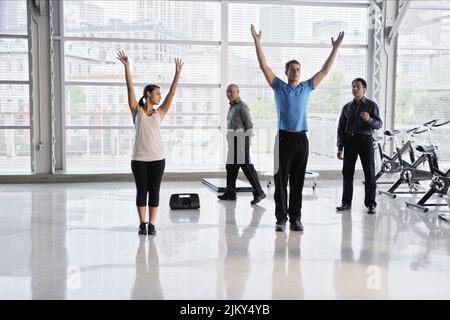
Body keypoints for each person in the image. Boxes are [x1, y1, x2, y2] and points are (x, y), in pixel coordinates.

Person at [251, 24, 344, 232]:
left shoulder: (306, 87)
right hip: (283, 139)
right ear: (286, 72)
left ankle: (295, 218)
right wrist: (258, 42)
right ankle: (281, 219)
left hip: (301, 140)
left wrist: (335, 47)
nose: (296, 72)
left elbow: (325, 70)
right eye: (292, 69)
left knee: (297, 182)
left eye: (298, 69)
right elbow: (263, 66)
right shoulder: (279, 86)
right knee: (280, 180)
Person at [117, 51, 183, 235]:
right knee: (141, 191)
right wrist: (127, 67)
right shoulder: (136, 111)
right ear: (148, 94)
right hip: (139, 159)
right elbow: (130, 89)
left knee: (154, 191)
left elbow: (172, 93)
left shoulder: (159, 112)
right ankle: (142, 223)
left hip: (157, 158)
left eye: (160, 94)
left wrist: (177, 73)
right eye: (157, 94)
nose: (160, 97)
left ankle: (152, 224)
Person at [336, 78, 382, 214]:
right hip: (350, 141)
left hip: (366, 140)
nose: (355, 89)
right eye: (353, 87)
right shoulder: (346, 107)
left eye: (357, 86)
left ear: (364, 89)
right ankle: (346, 203)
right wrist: (340, 147)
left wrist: (369, 119)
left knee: (370, 172)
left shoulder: (372, 105)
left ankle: (371, 204)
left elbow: (379, 124)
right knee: (347, 172)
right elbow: (341, 128)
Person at [218, 84, 266, 205]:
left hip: (240, 142)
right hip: (232, 142)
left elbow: (249, 126)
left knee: (247, 168)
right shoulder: (232, 107)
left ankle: (259, 192)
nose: (229, 94)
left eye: (232, 92)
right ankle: (230, 193)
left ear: (238, 92)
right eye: (227, 92)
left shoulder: (242, 107)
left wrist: (244, 144)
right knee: (230, 167)